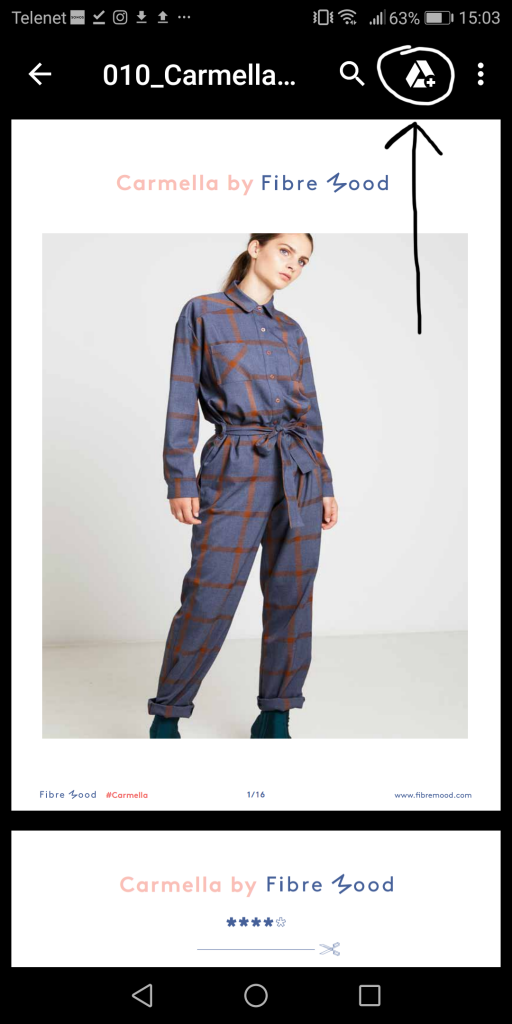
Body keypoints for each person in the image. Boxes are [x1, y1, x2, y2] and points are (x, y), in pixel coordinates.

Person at [148, 234, 338, 738]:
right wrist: (179, 477)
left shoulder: (292, 331)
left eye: (303, 261)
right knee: (209, 594)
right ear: (255, 248)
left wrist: (323, 482)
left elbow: (309, 413)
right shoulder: (203, 313)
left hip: (297, 471)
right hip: (234, 465)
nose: (293, 265)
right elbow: (182, 396)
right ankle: (167, 715)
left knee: (292, 595)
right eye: (285, 251)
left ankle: (276, 715)